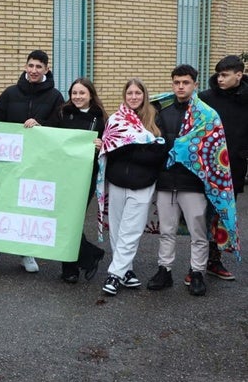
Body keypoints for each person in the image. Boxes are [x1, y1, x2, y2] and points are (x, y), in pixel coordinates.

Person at [0, 49, 64, 274]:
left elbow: (60, 127)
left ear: (46, 70)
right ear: (25, 67)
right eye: (30, 66)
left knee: (28, 208)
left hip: (36, 164)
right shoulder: (10, 93)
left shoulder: (55, 97)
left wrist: (41, 125)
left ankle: (26, 253)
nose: (33, 70)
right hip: (6, 162)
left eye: (38, 67)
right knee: (0, 207)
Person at [147, 65, 237, 296]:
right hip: (167, 183)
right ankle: (164, 270)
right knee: (166, 231)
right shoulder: (162, 113)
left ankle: (197, 273)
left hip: (194, 184)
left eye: (185, 82)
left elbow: (215, 150)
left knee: (199, 233)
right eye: (176, 82)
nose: (180, 86)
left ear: (195, 85)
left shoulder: (207, 115)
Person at [96, 78, 167, 296]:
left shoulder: (155, 119)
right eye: (130, 93)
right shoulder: (115, 119)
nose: (133, 97)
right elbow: (112, 149)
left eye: (138, 93)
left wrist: (129, 148)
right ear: (124, 96)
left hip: (142, 184)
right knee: (116, 229)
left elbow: (158, 153)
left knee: (132, 230)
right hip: (117, 182)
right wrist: (138, 147)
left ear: (144, 95)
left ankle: (115, 275)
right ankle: (127, 271)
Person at [196, 55, 248, 282]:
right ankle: (199, 262)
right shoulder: (205, 98)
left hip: (234, 167)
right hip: (206, 168)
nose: (220, 79)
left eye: (225, 75)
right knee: (203, 215)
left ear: (239, 74)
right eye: (218, 74)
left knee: (223, 216)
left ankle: (214, 260)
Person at [54, 78, 107, 283]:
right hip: (63, 174)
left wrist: (101, 145)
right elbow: (49, 135)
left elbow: (110, 146)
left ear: (91, 95)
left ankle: (70, 268)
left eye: (82, 93)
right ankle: (86, 256)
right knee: (64, 219)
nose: (77, 97)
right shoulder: (62, 113)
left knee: (73, 220)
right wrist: (35, 124)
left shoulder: (101, 118)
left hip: (86, 176)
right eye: (74, 93)